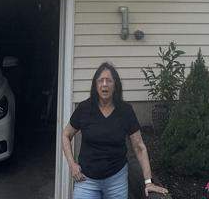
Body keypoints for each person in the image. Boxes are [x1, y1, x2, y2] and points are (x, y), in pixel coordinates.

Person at [62, 61, 168, 198]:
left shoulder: (125, 111)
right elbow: (66, 134)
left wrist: (148, 182)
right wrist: (72, 164)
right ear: (95, 85)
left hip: (116, 180)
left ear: (115, 85)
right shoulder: (84, 109)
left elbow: (139, 147)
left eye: (109, 81)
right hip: (86, 180)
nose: (104, 84)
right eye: (101, 80)